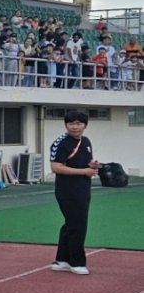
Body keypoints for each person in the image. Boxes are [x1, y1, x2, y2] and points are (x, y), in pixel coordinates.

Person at [49, 108, 98, 275]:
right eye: (71, 123)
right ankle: (77, 262)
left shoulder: (86, 141)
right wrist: (84, 171)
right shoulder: (61, 143)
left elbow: (85, 162)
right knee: (78, 225)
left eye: (78, 123)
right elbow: (56, 167)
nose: (75, 127)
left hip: (83, 188)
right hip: (67, 190)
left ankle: (61, 260)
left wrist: (92, 166)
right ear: (66, 125)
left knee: (71, 224)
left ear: (85, 125)